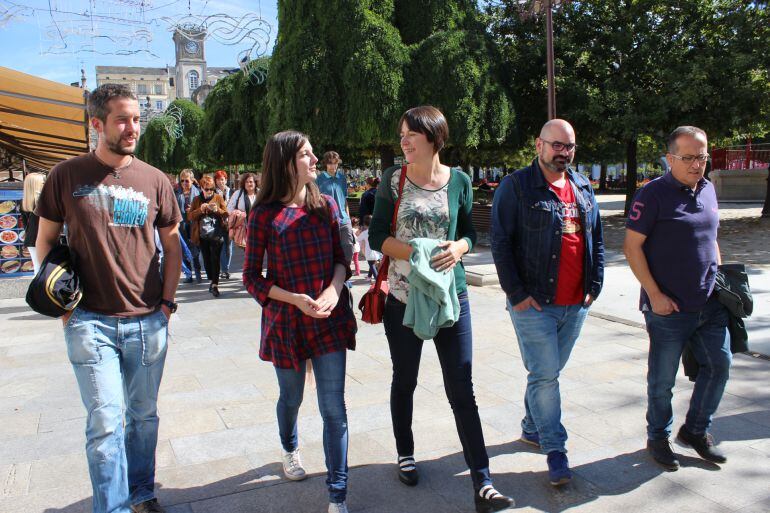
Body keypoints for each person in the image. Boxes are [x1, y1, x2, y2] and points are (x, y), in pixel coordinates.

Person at [35, 83, 182, 513]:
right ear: (96, 124)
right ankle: (113, 507)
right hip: (89, 321)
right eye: (122, 119)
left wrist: (168, 304)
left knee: (143, 417)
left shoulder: (155, 180)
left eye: (137, 119)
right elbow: (44, 240)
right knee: (104, 423)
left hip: (147, 319)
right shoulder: (66, 175)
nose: (132, 127)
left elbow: (171, 245)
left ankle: (141, 493)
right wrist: (62, 307)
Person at [369, 106, 514, 513]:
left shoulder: (460, 181)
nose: (403, 142)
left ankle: (482, 481)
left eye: (410, 134)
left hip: (452, 296)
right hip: (403, 296)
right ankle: (405, 452)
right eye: (400, 135)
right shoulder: (393, 181)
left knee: (461, 387)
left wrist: (458, 248)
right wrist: (419, 252)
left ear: (432, 136)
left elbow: (468, 231)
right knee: (406, 379)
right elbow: (379, 234)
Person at [242, 131, 356, 513]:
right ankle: (289, 448)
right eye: (306, 155)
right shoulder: (264, 214)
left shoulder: (326, 207)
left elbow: (344, 259)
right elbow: (252, 277)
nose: (314, 160)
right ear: (286, 162)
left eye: (312, 153)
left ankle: (337, 494)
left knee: (333, 408)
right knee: (291, 397)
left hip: (328, 318)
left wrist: (334, 291)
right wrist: (293, 299)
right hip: (286, 322)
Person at [490, 119, 604, 486]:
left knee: (547, 373)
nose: (563, 152)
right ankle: (556, 451)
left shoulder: (582, 185)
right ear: (539, 145)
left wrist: (595, 285)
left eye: (569, 147)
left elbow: (597, 239)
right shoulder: (517, 186)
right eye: (556, 145)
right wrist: (517, 294)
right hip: (534, 302)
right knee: (546, 375)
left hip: (576, 303)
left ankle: (530, 426)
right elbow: (500, 242)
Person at [624, 126, 731, 470]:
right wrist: (654, 295)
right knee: (662, 381)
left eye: (702, 156)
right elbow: (632, 247)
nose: (697, 164)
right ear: (670, 158)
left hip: (710, 303)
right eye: (688, 157)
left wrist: (720, 274)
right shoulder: (652, 194)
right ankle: (658, 437)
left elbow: (711, 236)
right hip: (668, 308)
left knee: (720, 365)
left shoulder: (709, 190)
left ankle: (696, 430)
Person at [188, 175, 228, 297]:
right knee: (206, 259)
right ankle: (211, 281)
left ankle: (215, 284)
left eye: (211, 189)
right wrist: (200, 210)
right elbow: (189, 217)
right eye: (207, 189)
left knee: (215, 259)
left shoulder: (218, 198)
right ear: (201, 188)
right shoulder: (196, 199)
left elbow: (226, 214)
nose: (209, 191)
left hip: (217, 234)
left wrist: (217, 210)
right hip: (202, 235)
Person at [315, 150, 355, 266]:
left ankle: (345, 274)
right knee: (331, 251)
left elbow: (345, 200)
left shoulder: (342, 178)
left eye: (335, 163)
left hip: (344, 219)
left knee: (348, 249)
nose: (333, 166)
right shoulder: (319, 179)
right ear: (325, 164)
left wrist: (348, 218)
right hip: (327, 220)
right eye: (330, 163)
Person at [175, 169, 202, 283]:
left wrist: (193, 210)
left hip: (194, 225)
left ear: (192, 181)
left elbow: (202, 209)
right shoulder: (177, 192)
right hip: (181, 225)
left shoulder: (198, 193)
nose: (184, 183)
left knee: (195, 249)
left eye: (187, 181)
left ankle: (198, 273)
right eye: (182, 181)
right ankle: (189, 275)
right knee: (184, 249)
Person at [21, 172, 46, 274]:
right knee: (47, 268)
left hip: (31, 239)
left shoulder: (23, 203)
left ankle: (37, 289)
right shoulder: (44, 202)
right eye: (43, 182)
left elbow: (24, 224)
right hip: (45, 238)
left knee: (37, 268)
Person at [214, 169, 233, 280]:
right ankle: (224, 270)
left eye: (222, 179)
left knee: (229, 247)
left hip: (230, 223)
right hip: (219, 223)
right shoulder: (214, 193)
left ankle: (226, 268)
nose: (220, 182)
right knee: (222, 246)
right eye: (218, 180)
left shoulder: (232, 191)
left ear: (226, 180)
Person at [355, 215, 381, 282]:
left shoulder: (365, 233)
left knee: (372, 266)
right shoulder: (376, 231)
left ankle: (378, 280)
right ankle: (369, 277)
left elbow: (358, 239)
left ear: (365, 225)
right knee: (372, 265)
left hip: (369, 252)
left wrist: (358, 234)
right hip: (377, 252)